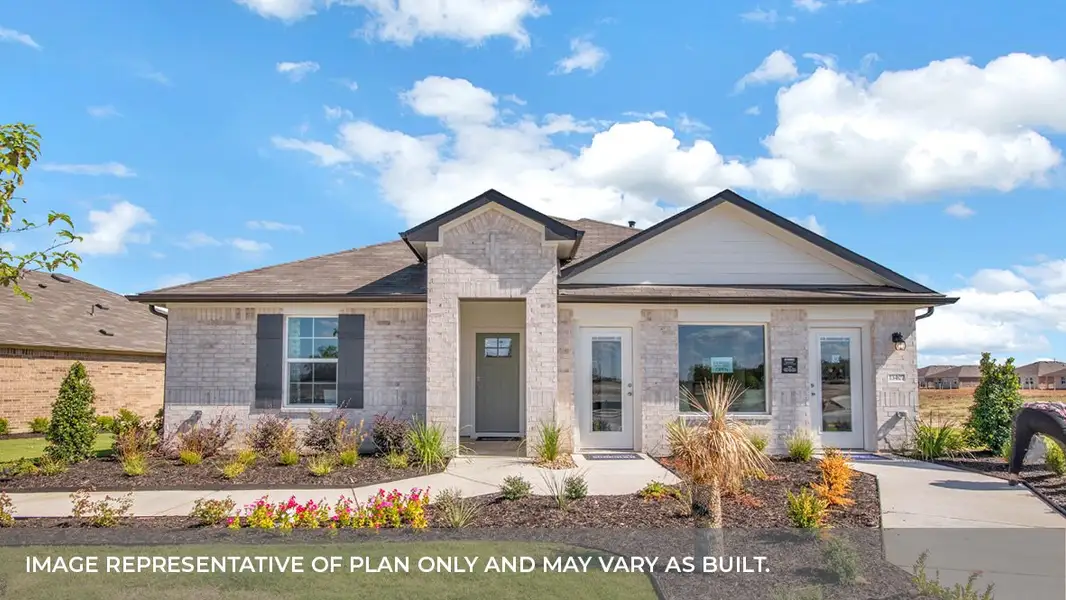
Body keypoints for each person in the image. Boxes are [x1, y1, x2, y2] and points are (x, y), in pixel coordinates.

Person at [1007, 401, 1066, 486]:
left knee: (1020, 445)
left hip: (1024, 414)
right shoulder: (1061, 409)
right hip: (1046, 417)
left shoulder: (1054, 404)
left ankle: (1013, 476)